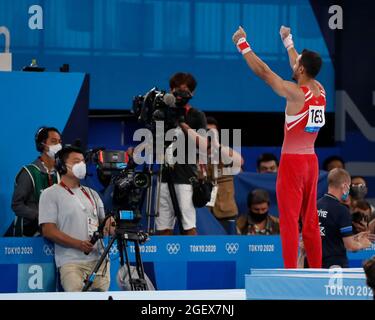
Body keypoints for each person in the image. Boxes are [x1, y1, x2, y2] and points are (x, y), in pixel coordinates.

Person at [232, 25, 324, 268]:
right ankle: (316, 269)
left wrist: (242, 43)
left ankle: (290, 271)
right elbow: (299, 65)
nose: (294, 65)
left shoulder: (296, 94)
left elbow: (264, 72)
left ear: (301, 69)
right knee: (311, 220)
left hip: (293, 163)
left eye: (297, 64)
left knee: (290, 220)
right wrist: (288, 41)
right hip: (311, 162)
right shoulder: (319, 90)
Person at [39, 146, 113, 292]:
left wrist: (113, 225)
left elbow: (105, 225)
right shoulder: (50, 194)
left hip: (99, 262)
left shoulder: (92, 193)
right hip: (71, 263)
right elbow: (48, 230)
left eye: (83, 161)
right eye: (76, 161)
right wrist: (78, 244)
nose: (82, 165)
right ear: (62, 165)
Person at [155, 72, 207, 235]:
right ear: (170, 90)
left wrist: (182, 123)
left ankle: (192, 257)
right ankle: (162, 259)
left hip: (185, 176)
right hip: (163, 175)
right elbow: (153, 142)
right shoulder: (160, 113)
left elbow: (204, 144)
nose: (179, 95)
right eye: (176, 90)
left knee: (188, 225)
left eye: (184, 91)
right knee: (163, 226)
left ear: (192, 93)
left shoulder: (196, 115)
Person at [7, 127, 62, 236]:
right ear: (42, 144)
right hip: (28, 236)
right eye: (53, 141)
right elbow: (16, 205)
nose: (59, 145)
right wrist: (40, 216)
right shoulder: (29, 172)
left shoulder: (59, 173)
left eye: (60, 142)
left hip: (53, 234)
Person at [317, 169, 374, 268]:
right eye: (349, 186)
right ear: (344, 186)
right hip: (335, 265)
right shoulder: (342, 210)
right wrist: (364, 243)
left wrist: (356, 237)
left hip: (315, 262)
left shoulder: (315, 205)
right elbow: (350, 246)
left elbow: (330, 234)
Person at [205, 116, 243, 234]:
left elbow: (240, 162)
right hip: (203, 213)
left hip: (226, 211)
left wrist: (218, 146)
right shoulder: (192, 154)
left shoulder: (224, 151)